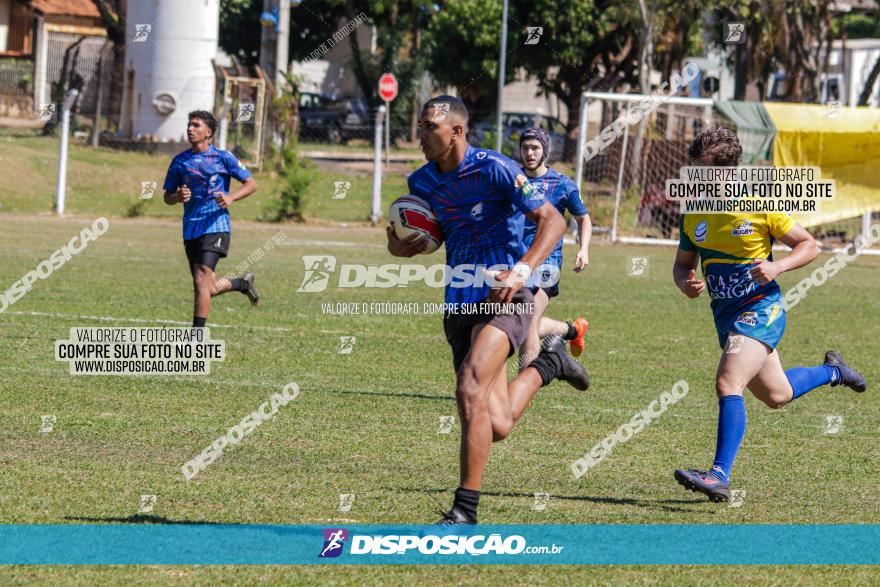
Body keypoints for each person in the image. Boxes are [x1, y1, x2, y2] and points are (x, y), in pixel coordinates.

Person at [387, 96, 589, 524]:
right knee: (495, 422)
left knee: (470, 388)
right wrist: (400, 246)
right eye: (420, 127)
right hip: (459, 303)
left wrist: (521, 271)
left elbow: (554, 221)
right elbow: (430, 237)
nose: (419, 136)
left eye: (428, 128)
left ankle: (465, 510)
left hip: (507, 297)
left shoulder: (495, 168)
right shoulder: (421, 182)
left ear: (455, 132)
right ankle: (549, 364)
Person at [672, 127, 867, 502]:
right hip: (726, 318)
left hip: (761, 310)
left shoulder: (759, 205)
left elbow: (810, 246)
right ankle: (834, 371)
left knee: (728, 383)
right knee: (777, 394)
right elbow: (682, 265)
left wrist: (778, 268)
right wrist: (685, 282)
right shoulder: (693, 211)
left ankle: (718, 476)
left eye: (706, 171)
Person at [163, 110, 259, 328]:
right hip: (191, 228)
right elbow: (167, 197)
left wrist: (231, 197)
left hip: (216, 225)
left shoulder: (223, 157)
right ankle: (242, 283)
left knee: (200, 278)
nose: (190, 129)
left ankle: (196, 339)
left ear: (209, 132)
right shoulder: (179, 162)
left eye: (196, 125)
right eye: (189, 125)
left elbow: (251, 184)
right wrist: (176, 196)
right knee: (205, 286)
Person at [518, 127, 591, 366]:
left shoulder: (562, 184)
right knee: (522, 321)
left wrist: (583, 248)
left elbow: (583, 218)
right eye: (525, 147)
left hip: (548, 260)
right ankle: (572, 330)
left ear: (544, 151)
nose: (530, 152)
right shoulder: (512, 180)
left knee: (527, 317)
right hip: (517, 260)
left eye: (535, 148)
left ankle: (524, 383)